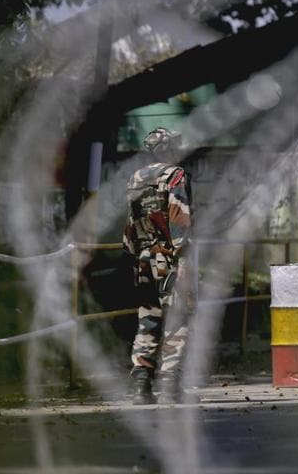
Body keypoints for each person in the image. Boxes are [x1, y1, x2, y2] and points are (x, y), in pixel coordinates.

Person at [122, 127, 195, 404]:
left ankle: (141, 386)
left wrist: (134, 254)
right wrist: (182, 258)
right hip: (170, 257)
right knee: (177, 320)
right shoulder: (175, 174)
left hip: (142, 258)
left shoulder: (136, 178)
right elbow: (179, 217)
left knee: (147, 319)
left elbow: (131, 223)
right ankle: (170, 386)